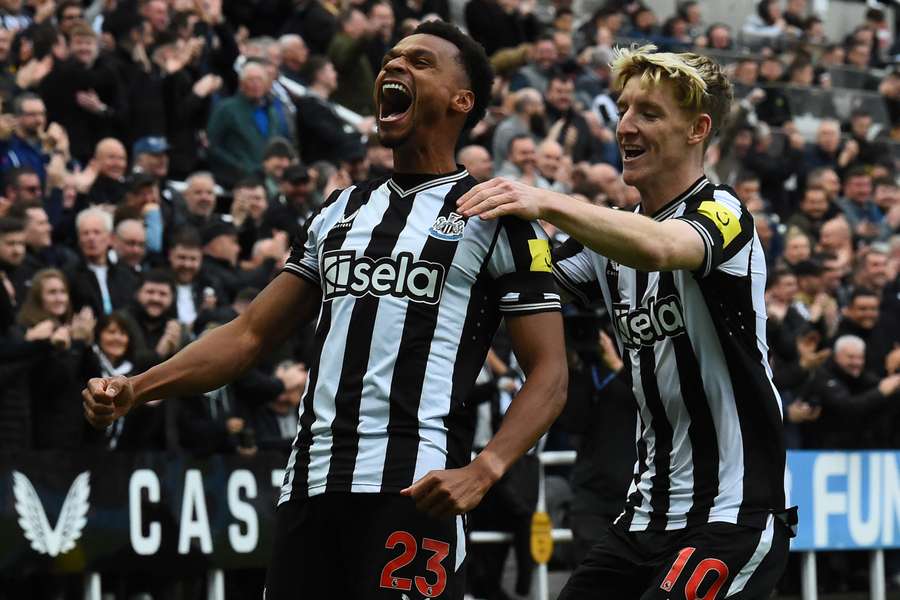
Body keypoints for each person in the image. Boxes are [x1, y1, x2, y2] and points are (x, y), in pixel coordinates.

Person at [83, 21, 567, 599]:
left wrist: (486, 469)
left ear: (462, 101)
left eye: (418, 62)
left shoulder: (498, 216)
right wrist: (138, 387)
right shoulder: (340, 209)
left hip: (413, 488)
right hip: (310, 486)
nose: (393, 67)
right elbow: (248, 333)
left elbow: (550, 374)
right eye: (390, 58)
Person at [457, 44, 793, 599]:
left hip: (733, 514)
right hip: (644, 517)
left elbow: (663, 248)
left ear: (697, 129)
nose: (626, 127)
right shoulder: (605, 241)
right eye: (623, 110)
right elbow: (511, 288)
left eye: (650, 113)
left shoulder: (724, 211)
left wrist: (545, 199)